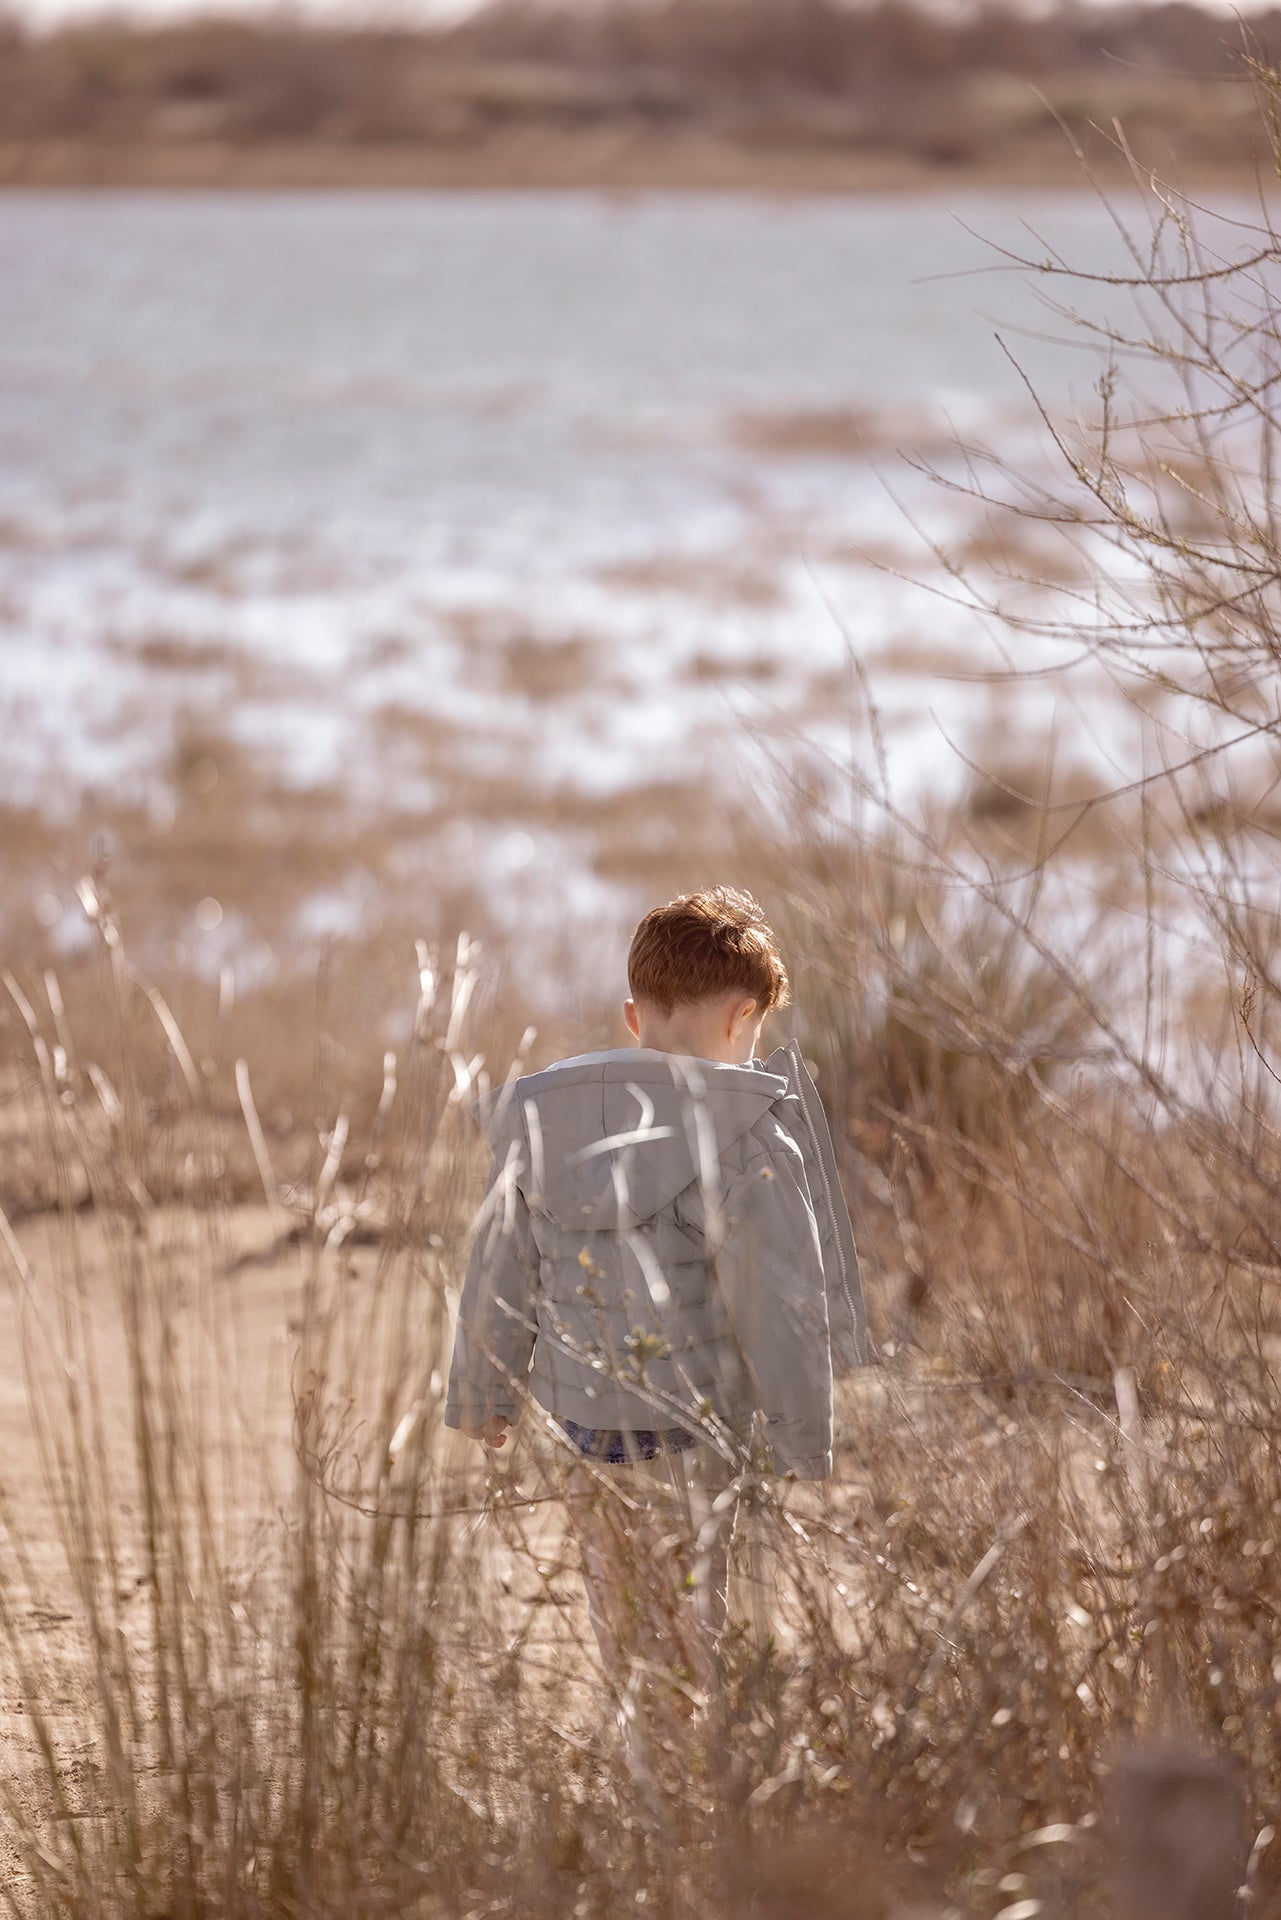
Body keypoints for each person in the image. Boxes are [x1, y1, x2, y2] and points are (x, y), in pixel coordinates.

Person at [444, 886, 866, 1699]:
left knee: (620, 1604)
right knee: (703, 1611)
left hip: (581, 1424)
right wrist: (799, 1436)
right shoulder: (745, 1134)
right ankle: (693, 1747)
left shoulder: (541, 1122)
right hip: (691, 1428)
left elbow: (498, 1264)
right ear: (742, 1019)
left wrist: (482, 1395)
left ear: (634, 1017)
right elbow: (778, 1302)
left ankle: (641, 1730)